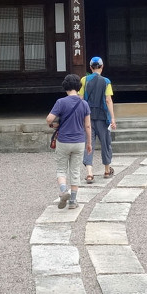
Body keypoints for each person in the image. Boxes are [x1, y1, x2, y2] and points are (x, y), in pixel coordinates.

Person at [46, 73, 92, 209]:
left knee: (61, 169)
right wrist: (89, 143)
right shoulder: (84, 104)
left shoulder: (61, 102)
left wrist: (53, 124)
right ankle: (72, 201)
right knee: (75, 171)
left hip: (64, 141)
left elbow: (49, 119)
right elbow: (88, 126)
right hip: (79, 141)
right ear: (78, 87)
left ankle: (63, 190)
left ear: (65, 86)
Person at [79, 56, 117, 182]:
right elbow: (108, 100)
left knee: (88, 143)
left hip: (88, 117)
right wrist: (112, 118)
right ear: (102, 67)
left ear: (90, 67)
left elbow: (80, 99)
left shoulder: (84, 80)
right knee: (106, 143)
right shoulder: (106, 81)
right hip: (102, 117)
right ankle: (106, 170)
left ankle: (90, 173)